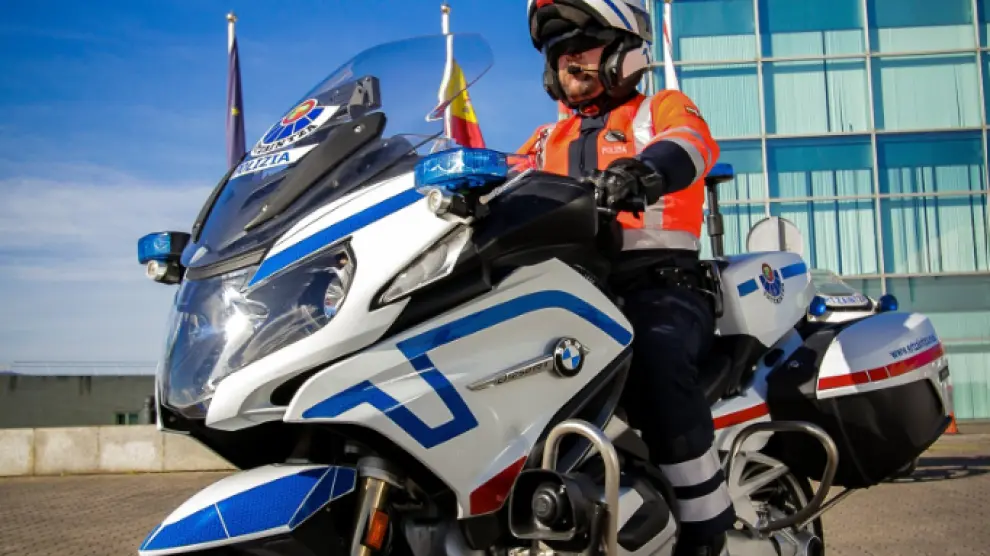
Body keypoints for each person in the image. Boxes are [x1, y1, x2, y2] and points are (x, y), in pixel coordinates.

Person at [519, 1, 735, 554]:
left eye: (582, 46)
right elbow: (502, 180)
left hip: (660, 287)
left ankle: (705, 528)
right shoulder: (545, 140)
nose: (569, 60)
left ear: (622, 52)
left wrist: (646, 170)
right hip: (573, 297)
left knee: (654, 356)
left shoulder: (658, 109)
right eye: (558, 52)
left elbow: (692, 142)